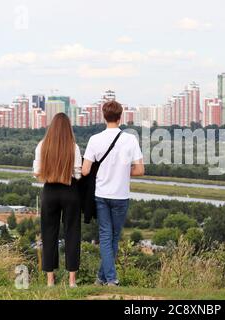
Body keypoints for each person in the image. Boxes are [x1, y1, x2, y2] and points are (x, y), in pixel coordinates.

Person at [82, 100, 144, 286]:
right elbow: (140, 170)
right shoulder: (130, 139)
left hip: (101, 195)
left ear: (104, 116)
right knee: (113, 237)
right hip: (121, 195)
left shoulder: (95, 140)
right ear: (120, 117)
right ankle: (109, 278)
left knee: (106, 237)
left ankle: (104, 278)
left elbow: (85, 171)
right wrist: (124, 171)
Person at [33, 113, 82, 288]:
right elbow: (77, 173)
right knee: (72, 233)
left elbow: (37, 171)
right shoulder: (73, 147)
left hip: (50, 191)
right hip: (70, 191)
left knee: (49, 234)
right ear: (68, 128)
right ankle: (72, 281)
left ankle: (50, 280)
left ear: (51, 127)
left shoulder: (42, 146)